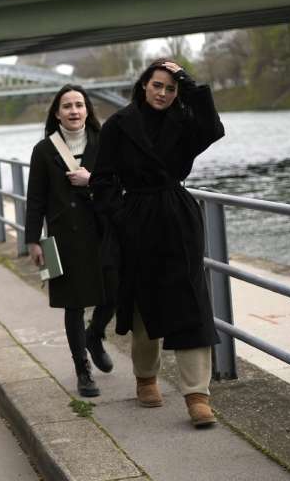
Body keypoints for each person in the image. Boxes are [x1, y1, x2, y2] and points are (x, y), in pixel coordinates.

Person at [91, 60, 225, 428]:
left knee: (191, 300)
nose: (163, 93)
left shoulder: (184, 121)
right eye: (158, 85)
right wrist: (120, 216)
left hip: (178, 215)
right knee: (142, 304)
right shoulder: (119, 125)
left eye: (171, 88)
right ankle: (146, 377)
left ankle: (197, 395)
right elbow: (101, 180)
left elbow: (213, 129)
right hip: (136, 215)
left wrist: (192, 84)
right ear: (144, 85)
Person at [25, 85, 117, 398]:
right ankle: (82, 370)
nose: (74, 111)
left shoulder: (105, 142)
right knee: (72, 305)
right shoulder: (43, 150)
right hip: (62, 239)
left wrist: (91, 179)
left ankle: (95, 335)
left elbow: (121, 182)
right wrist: (33, 241)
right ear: (57, 113)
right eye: (67, 106)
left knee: (114, 291)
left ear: (88, 110)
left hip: (104, 232)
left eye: (79, 105)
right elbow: (35, 199)